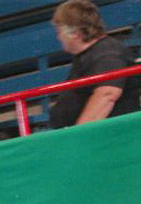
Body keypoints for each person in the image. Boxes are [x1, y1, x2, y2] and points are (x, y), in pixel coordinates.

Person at [49, 0, 139, 128]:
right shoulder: (89, 55)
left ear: (75, 33)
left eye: (59, 31)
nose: (58, 37)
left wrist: (78, 135)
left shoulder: (107, 52)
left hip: (110, 138)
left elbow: (107, 94)